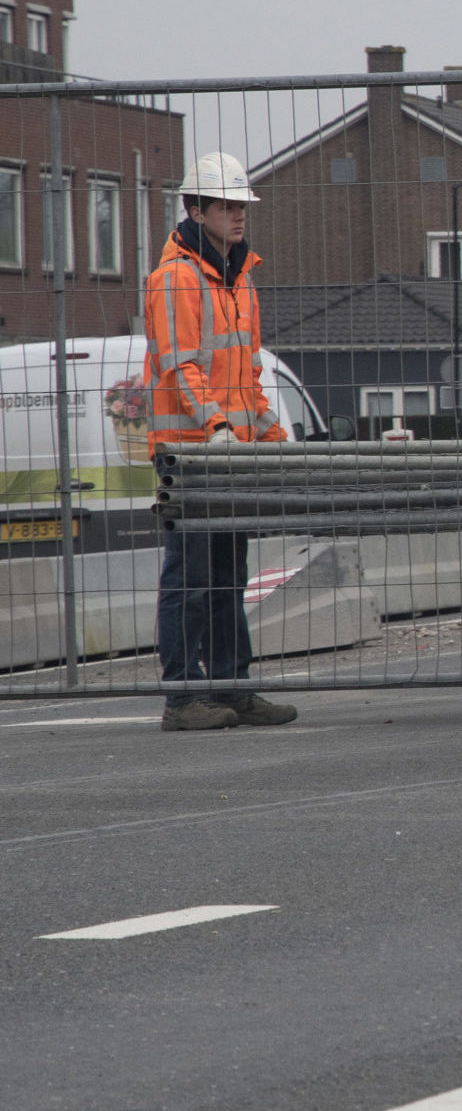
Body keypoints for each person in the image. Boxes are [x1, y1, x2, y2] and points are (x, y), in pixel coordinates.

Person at [147, 152, 297, 732]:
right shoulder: (175, 278)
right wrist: (216, 427)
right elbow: (180, 366)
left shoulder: (240, 279)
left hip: (228, 452)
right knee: (188, 577)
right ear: (196, 210)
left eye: (242, 206)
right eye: (227, 206)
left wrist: (271, 433)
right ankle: (183, 697)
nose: (239, 215)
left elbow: (248, 375)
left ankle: (232, 687)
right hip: (189, 453)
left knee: (228, 576)